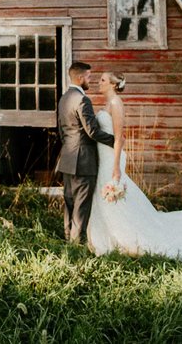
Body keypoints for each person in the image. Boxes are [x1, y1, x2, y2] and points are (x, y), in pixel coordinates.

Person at [86, 71, 182, 260]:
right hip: (103, 155)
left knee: (113, 196)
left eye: (102, 80)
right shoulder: (107, 104)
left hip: (112, 157)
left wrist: (117, 166)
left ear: (112, 84)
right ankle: (108, 235)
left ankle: (125, 237)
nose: (98, 82)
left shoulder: (116, 103)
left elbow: (119, 137)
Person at [56, 61, 116, 244]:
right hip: (83, 160)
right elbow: (92, 131)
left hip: (67, 157)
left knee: (70, 203)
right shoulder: (82, 100)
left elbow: (61, 131)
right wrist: (115, 141)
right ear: (80, 78)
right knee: (82, 205)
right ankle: (77, 244)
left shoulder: (64, 98)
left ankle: (68, 240)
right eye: (89, 77)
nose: (91, 80)